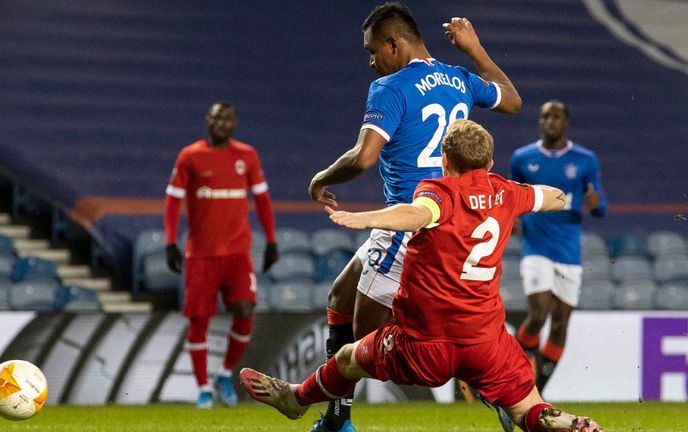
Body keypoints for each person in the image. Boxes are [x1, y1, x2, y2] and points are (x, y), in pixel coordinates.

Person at [240, 119, 605, 432]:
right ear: (490, 162)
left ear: (445, 161)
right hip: (486, 344)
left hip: (424, 343)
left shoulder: (439, 191)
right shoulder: (505, 192)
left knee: (348, 358)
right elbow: (554, 197)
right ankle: (556, 420)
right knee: (527, 410)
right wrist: (555, 195)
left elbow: (417, 214)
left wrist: (365, 218)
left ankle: (297, 398)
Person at [306, 3, 521, 431]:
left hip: (408, 223)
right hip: (447, 216)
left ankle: (486, 384)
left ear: (394, 43)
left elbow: (363, 157)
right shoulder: (458, 78)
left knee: (366, 346)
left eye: (373, 51)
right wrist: (475, 49)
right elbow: (512, 101)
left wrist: (320, 178)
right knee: (339, 297)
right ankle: (338, 418)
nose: (372, 62)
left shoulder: (391, 87)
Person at [163, 101, 279, 409]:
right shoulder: (190, 156)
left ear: (234, 123)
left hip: (238, 253)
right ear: (207, 121)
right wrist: (170, 242)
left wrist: (271, 241)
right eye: (217, 118)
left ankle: (224, 374)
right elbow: (173, 201)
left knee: (244, 310)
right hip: (200, 254)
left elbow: (263, 201)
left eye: (227, 118)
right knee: (199, 321)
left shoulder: (247, 156)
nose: (222, 123)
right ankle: (203, 388)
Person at [510, 100, 607, 394]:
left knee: (561, 325)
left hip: (569, 253)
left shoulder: (585, 160)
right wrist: (512, 217)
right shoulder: (522, 158)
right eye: (544, 117)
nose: (549, 121)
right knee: (538, 314)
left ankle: (536, 391)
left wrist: (596, 204)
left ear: (566, 122)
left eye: (556, 116)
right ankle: (510, 370)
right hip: (536, 248)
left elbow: (600, 203)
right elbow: (513, 196)